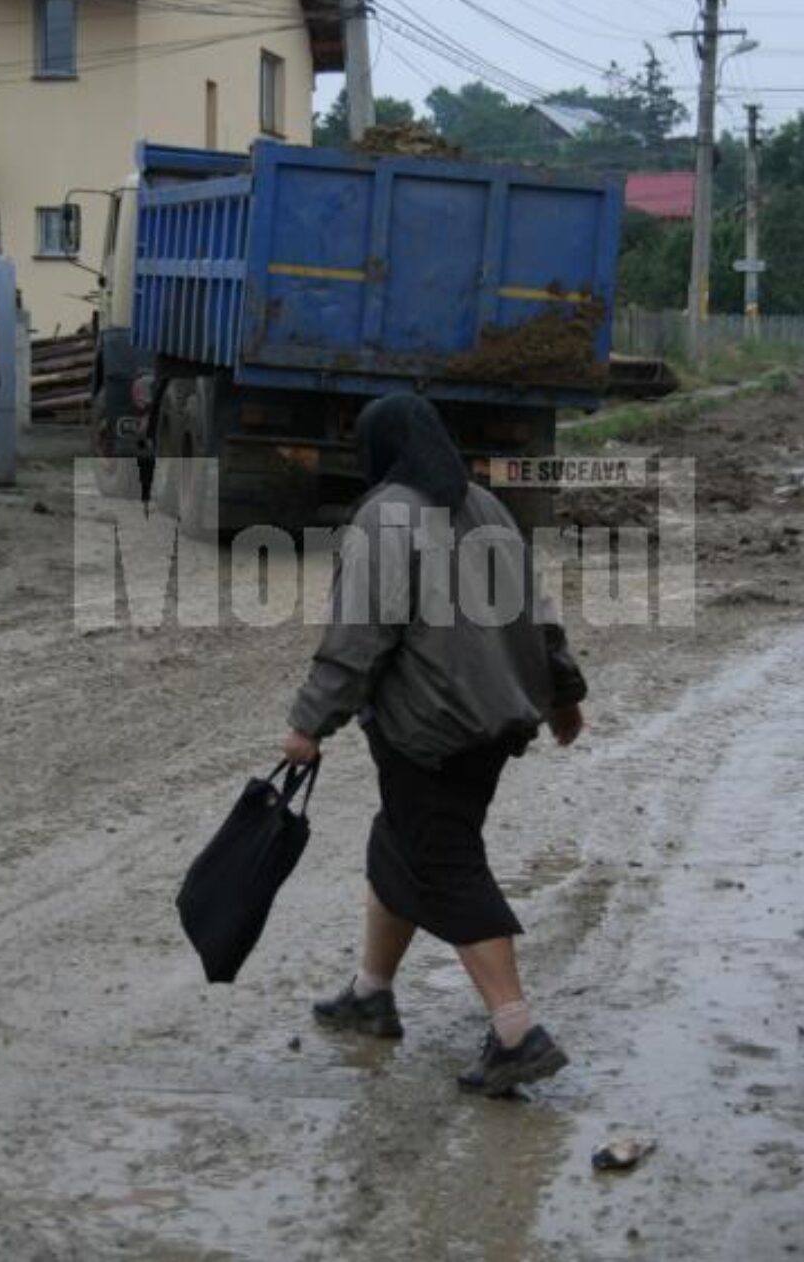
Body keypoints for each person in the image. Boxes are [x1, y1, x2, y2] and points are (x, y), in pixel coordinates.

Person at [283, 393, 587, 1098]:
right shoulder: (485, 506)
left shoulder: (382, 518)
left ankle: (517, 1033)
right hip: (494, 722)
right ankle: (371, 993)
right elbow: (538, 612)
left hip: (430, 728)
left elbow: (357, 640)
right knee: (400, 845)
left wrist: (307, 725)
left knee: (443, 862)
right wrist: (565, 695)